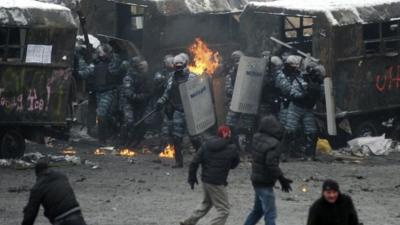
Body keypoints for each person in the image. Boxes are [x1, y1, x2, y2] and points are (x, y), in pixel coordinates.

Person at [180, 125, 240, 225]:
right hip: (217, 182)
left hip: (206, 180)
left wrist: (192, 177)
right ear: (228, 134)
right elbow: (235, 164)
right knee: (224, 210)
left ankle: (188, 222)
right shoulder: (232, 148)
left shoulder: (206, 144)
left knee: (206, 203)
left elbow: (194, 162)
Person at [243, 115, 293, 225]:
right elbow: (271, 163)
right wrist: (281, 178)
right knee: (270, 214)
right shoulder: (274, 144)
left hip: (256, 180)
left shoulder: (256, 138)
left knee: (257, 211)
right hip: (265, 182)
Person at [156, 54, 196, 168]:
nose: (178, 66)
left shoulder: (193, 77)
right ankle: (179, 162)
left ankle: (201, 159)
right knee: (176, 137)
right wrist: (161, 101)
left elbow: (198, 95)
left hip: (190, 112)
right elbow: (167, 93)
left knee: (195, 138)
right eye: (176, 64)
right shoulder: (172, 77)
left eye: (180, 64)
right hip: (178, 110)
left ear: (185, 63)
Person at [22, 161, 86, 225]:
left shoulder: (37, 188)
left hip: (60, 218)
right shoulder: (61, 176)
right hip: (76, 212)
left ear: (37, 173)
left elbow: (31, 212)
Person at [285, 61, 325, 160]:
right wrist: (303, 95)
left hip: (308, 108)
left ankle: (310, 154)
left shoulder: (320, 84)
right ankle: (284, 154)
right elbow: (293, 93)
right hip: (296, 107)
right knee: (290, 130)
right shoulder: (301, 79)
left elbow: (322, 97)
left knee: (312, 132)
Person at [225, 50, 256, 151]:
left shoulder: (250, 71)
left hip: (247, 101)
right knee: (230, 124)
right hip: (234, 102)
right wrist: (235, 93)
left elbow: (253, 85)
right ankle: (234, 146)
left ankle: (249, 146)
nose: (236, 61)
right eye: (234, 59)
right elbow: (228, 88)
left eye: (238, 58)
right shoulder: (231, 73)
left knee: (249, 126)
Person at [92, 43, 123, 144]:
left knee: (102, 114)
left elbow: (115, 72)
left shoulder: (114, 62)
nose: (98, 53)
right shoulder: (97, 62)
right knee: (105, 115)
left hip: (109, 91)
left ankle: (103, 139)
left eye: (100, 51)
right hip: (98, 92)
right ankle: (113, 132)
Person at [118, 56, 149, 146]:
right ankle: (121, 142)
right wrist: (142, 96)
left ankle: (134, 141)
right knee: (129, 121)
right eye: (140, 65)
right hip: (128, 102)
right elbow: (129, 94)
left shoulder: (142, 77)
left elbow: (146, 89)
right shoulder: (129, 77)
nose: (142, 67)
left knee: (140, 122)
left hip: (138, 103)